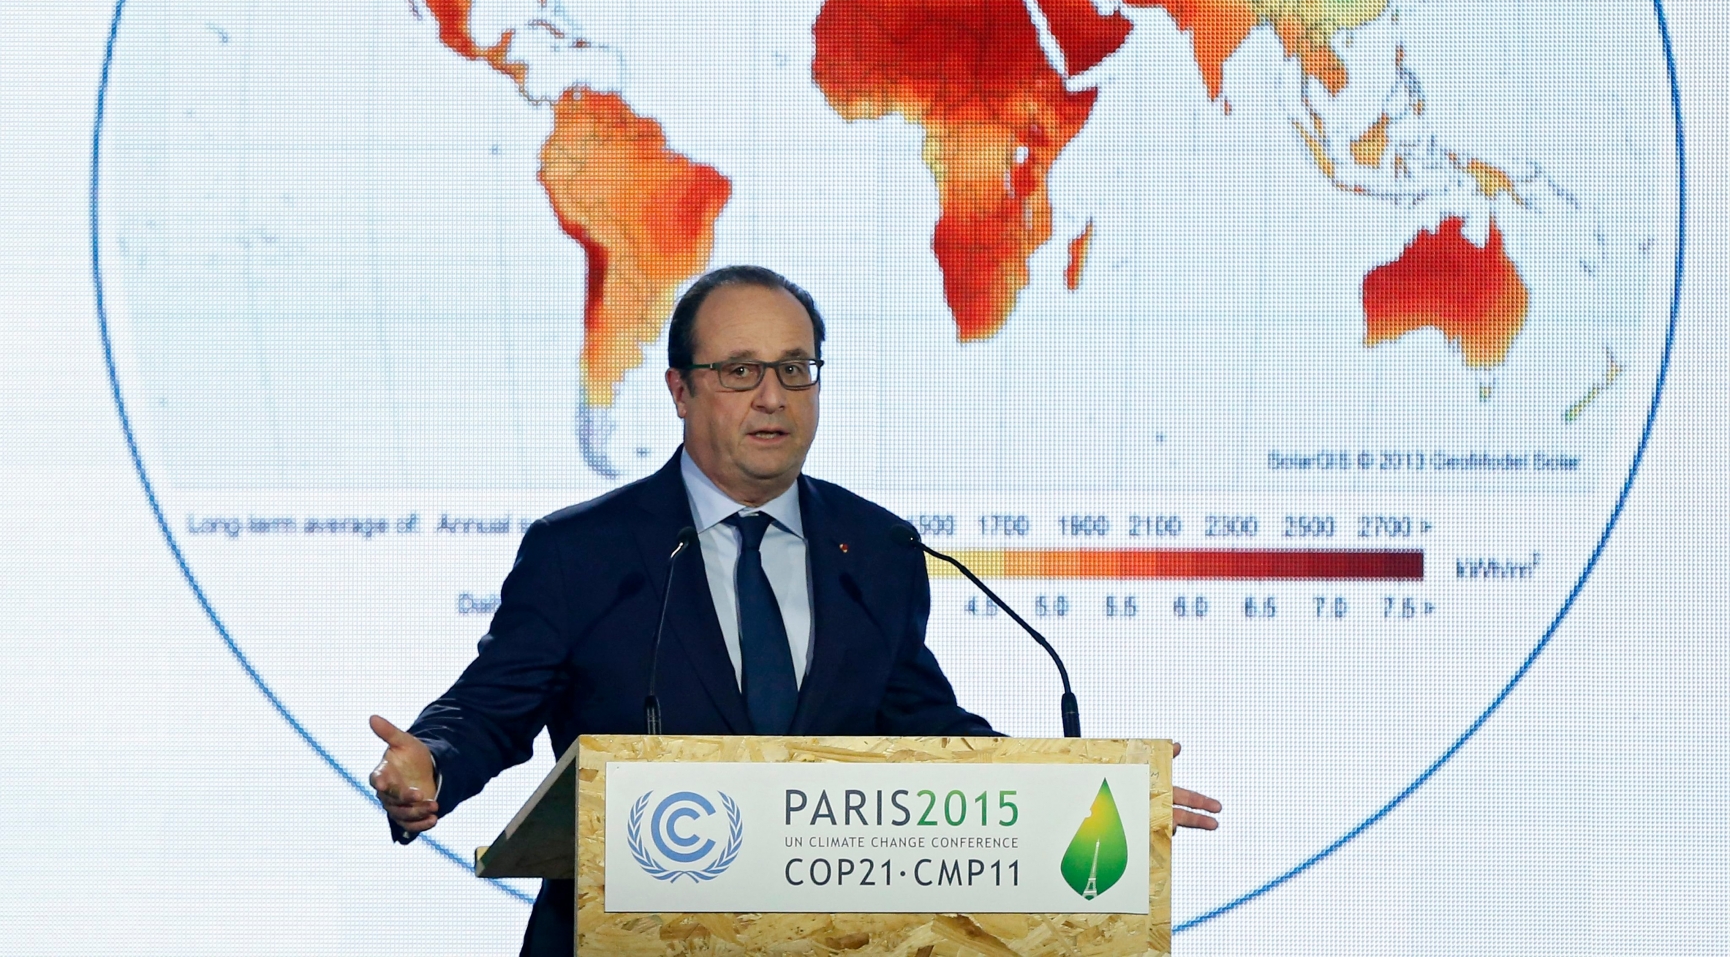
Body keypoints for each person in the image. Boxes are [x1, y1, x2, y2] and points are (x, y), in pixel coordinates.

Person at [369, 265, 1220, 955]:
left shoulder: (875, 547)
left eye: (794, 369)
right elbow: (491, 706)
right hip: (625, 936)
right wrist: (432, 764)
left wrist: (1073, 797)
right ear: (679, 389)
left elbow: (919, 727)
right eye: (738, 372)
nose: (771, 396)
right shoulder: (585, 551)